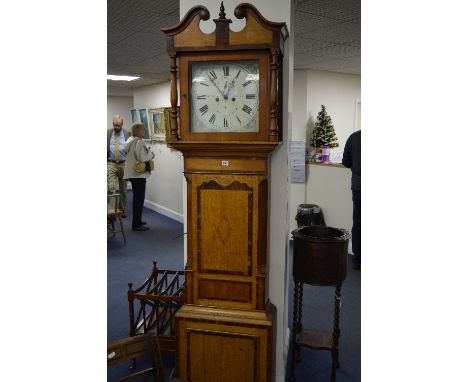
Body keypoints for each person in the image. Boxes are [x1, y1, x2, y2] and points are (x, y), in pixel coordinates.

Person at [124, 123, 155, 231]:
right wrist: (151, 154)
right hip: (138, 174)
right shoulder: (139, 142)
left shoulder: (130, 140)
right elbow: (142, 158)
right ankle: (136, 224)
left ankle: (137, 221)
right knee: (139, 200)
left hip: (132, 174)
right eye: (143, 129)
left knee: (137, 199)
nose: (145, 131)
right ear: (138, 131)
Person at [342, 130, 361, 270]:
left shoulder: (354, 137)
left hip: (358, 186)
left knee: (358, 222)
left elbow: (345, 161)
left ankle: (357, 259)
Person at [108, 115, 131, 217]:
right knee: (111, 187)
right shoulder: (107, 133)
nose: (116, 127)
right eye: (114, 125)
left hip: (123, 163)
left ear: (122, 124)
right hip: (111, 163)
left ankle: (122, 209)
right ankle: (112, 210)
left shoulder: (127, 133)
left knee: (123, 188)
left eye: (118, 125)